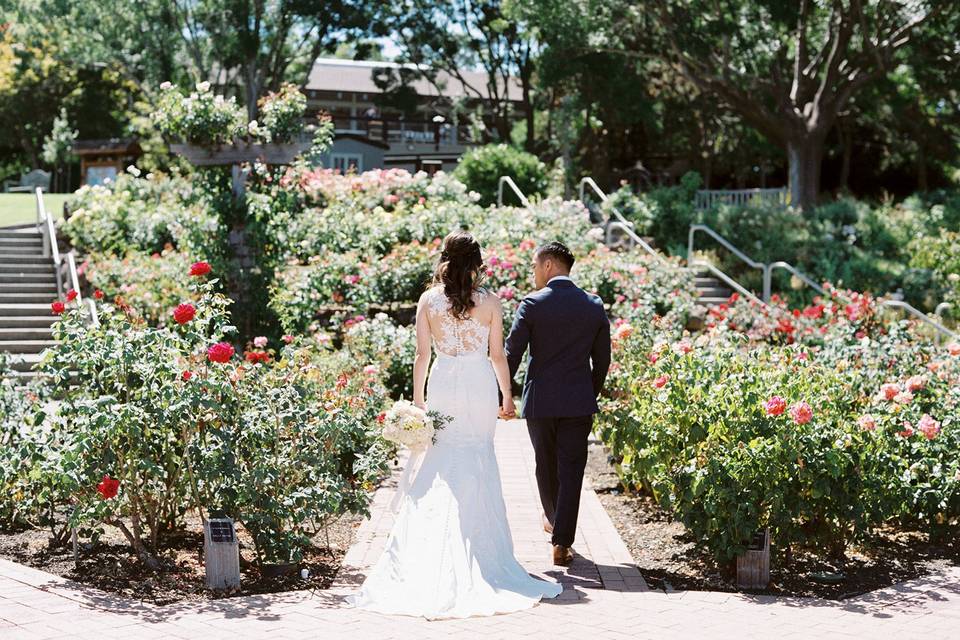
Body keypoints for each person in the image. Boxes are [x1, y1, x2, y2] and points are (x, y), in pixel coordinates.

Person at [348, 230, 563, 619]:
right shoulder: (491, 302)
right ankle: (482, 554)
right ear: (478, 264)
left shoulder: (429, 301)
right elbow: (498, 356)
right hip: (479, 385)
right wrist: (507, 396)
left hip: (443, 383)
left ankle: (430, 552)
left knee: (441, 459)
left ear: (445, 259)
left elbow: (421, 356)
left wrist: (417, 404)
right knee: (478, 456)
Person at [504, 241, 611, 566]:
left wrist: (502, 394)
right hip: (578, 401)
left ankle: (553, 519)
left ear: (549, 265)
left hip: (541, 401)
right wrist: (588, 391)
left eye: (535, 266)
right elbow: (602, 360)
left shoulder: (533, 304)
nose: (534, 273)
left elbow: (512, 353)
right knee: (572, 470)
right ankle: (562, 542)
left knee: (545, 465)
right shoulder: (593, 306)